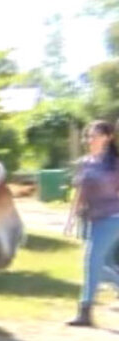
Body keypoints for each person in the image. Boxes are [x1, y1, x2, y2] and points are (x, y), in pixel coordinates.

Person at [66, 120, 119, 327]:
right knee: (101, 265)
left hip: (113, 217)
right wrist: (70, 219)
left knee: (91, 260)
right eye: (89, 136)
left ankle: (85, 311)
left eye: (95, 135)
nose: (91, 139)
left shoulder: (114, 164)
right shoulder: (86, 163)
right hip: (91, 218)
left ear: (108, 138)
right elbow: (79, 192)